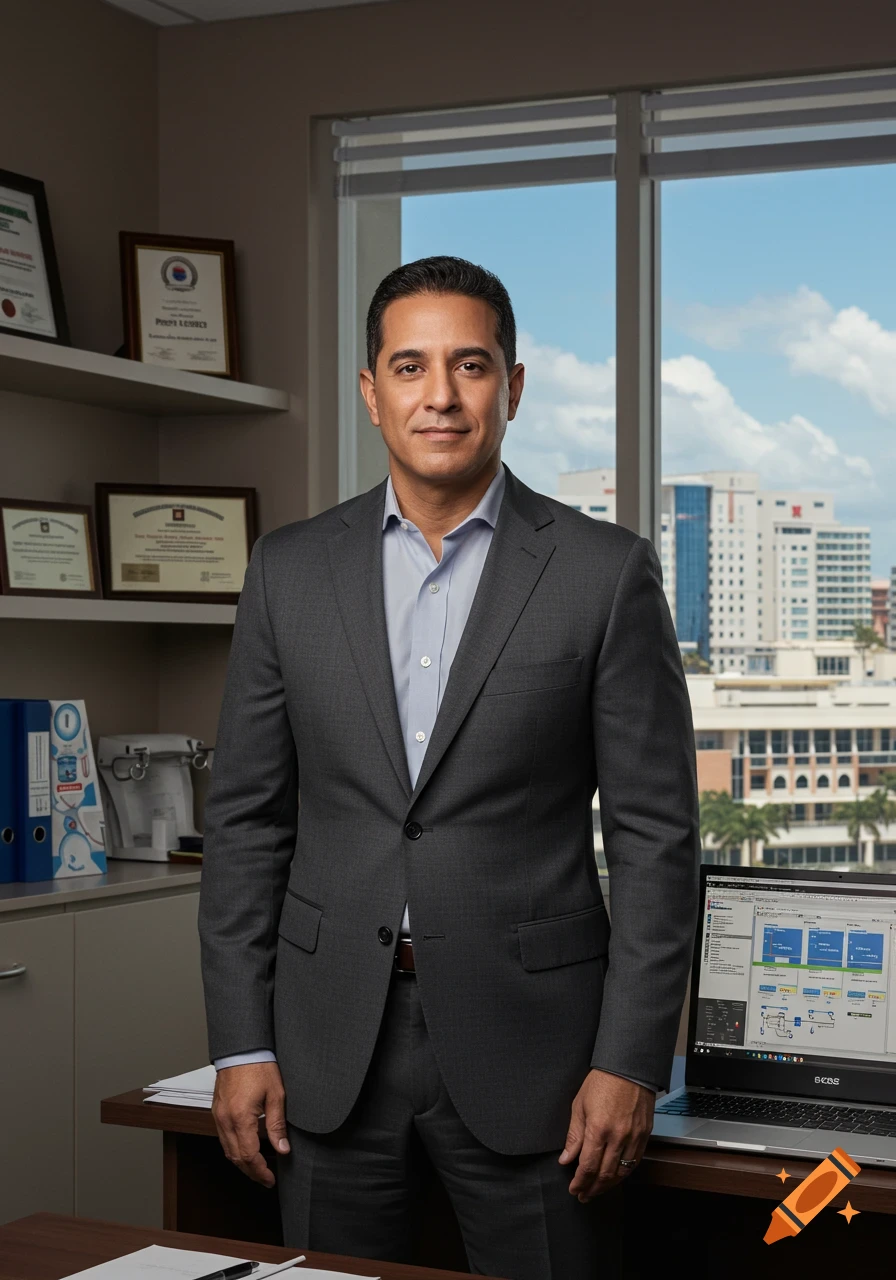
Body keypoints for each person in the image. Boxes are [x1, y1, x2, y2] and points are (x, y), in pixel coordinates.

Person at [198, 255, 700, 1280]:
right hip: (326, 1040)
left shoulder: (603, 573)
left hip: (543, 1056)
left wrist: (628, 1057)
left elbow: (655, 837)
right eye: (410, 364)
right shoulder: (286, 569)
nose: (439, 394)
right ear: (370, 389)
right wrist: (240, 1042)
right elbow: (247, 820)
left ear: (510, 386)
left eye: (469, 365)